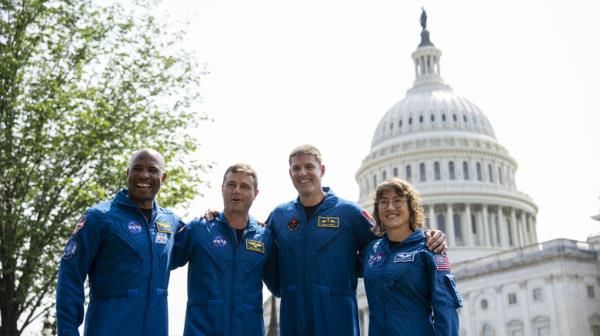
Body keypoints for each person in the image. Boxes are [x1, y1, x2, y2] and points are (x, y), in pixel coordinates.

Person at [266, 144, 447, 336]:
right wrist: (284, 288)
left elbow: (390, 239)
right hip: (294, 317)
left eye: (309, 167)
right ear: (290, 173)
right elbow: (261, 247)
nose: (303, 173)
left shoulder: (349, 213)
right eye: (296, 168)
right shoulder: (279, 216)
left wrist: (426, 236)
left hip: (337, 316)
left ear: (322, 170)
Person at [56, 149, 183, 336]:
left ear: (163, 177)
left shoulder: (171, 222)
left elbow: (203, 245)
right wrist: (68, 331)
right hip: (108, 328)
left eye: (152, 170)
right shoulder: (99, 217)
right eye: (137, 168)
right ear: (127, 173)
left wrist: (214, 219)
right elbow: (70, 275)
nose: (144, 175)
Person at [171, 163, 278, 336]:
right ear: (222, 189)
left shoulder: (266, 237)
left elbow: (280, 286)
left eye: (244, 186)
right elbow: (161, 258)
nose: (237, 190)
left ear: (255, 193)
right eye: (231, 184)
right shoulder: (199, 229)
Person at [361, 178, 462, 335]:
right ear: (377, 209)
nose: (390, 207)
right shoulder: (371, 251)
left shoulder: (430, 248)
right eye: (383, 202)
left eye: (398, 201)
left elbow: (446, 307)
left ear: (411, 207)